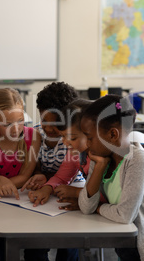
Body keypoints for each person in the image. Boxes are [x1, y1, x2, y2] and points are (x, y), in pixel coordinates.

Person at [78, 95, 144, 261]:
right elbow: (86, 207)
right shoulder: (101, 157)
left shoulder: (137, 159)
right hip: (126, 242)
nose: (87, 144)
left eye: (90, 138)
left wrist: (99, 207)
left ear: (113, 135)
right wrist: (100, 167)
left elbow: (124, 215)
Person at [24, 99, 92, 261]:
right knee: (36, 242)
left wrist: (78, 193)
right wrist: (47, 188)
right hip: (65, 195)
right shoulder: (75, 149)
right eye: (44, 121)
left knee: (69, 242)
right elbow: (62, 176)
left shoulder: (97, 156)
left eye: (70, 137)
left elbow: (102, 192)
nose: (65, 142)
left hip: (86, 199)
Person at [0, 88, 41, 199]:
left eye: (20, 120)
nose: (16, 130)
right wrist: (0, 180)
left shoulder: (34, 137)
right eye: (7, 124)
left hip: (20, 197)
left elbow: (24, 176)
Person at [23, 82, 78, 191]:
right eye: (44, 120)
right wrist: (38, 174)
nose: (48, 128)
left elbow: (68, 175)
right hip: (40, 184)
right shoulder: (35, 133)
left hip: (70, 185)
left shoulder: (73, 141)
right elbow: (33, 166)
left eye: (56, 124)